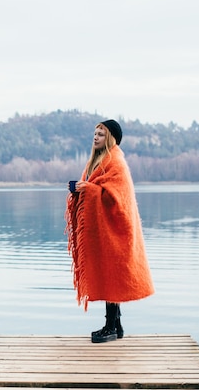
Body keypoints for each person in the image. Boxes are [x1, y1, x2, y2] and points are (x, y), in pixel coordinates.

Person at [65, 119, 154, 343]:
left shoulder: (116, 163)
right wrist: (80, 189)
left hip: (117, 228)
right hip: (106, 228)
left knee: (112, 275)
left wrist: (86, 188)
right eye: (95, 133)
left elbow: (115, 196)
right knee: (108, 273)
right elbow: (97, 188)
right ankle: (116, 326)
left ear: (111, 139)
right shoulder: (97, 161)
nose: (96, 137)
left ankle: (110, 327)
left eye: (101, 134)